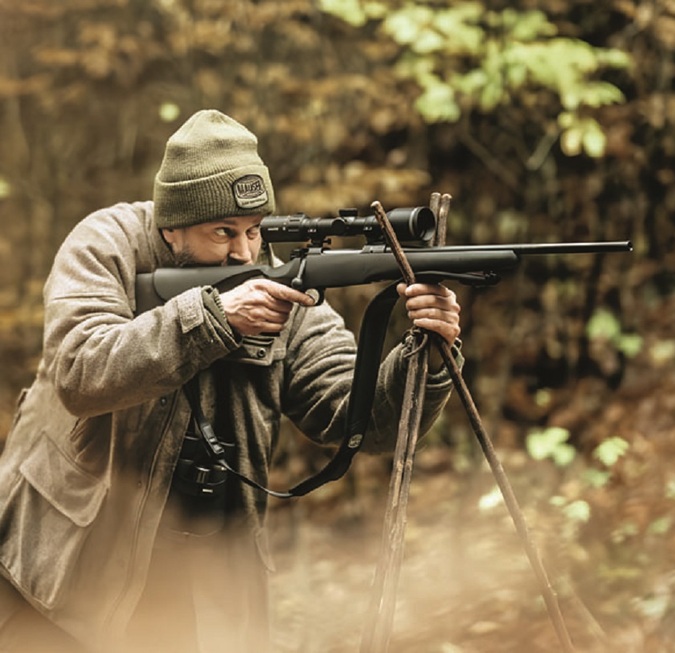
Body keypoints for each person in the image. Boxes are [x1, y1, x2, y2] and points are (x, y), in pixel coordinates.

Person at [0, 109, 462, 653]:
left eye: (254, 231)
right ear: (171, 226)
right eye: (222, 232)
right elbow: (80, 371)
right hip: (63, 568)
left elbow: (358, 420)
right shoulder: (108, 243)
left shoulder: (282, 289)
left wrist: (425, 356)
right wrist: (212, 318)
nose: (244, 253)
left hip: (196, 575)